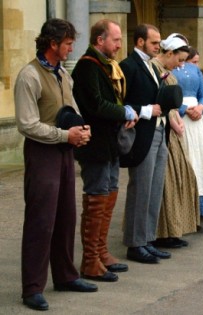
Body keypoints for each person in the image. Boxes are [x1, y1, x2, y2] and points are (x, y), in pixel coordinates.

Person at [14, 18, 97, 311]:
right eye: (68, 43)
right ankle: (32, 288)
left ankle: (65, 276)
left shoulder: (63, 72)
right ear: (53, 43)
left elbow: (71, 107)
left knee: (66, 216)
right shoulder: (29, 76)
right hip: (41, 154)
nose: (71, 48)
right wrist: (65, 134)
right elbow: (27, 125)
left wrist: (82, 128)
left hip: (64, 151)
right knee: (41, 220)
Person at [72, 19, 136, 282]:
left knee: (108, 197)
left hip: (108, 144)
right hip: (95, 145)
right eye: (116, 40)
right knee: (96, 200)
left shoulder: (106, 65)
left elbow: (111, 101)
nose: (120, 45)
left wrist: (124, 113)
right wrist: (123, 111)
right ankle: (90, 261)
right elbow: (96, 105)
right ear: (100, 40)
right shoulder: (87, 66)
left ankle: (101, 252)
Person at [119, 24, 171, 263]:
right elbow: (120, 102)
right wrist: (147, 110)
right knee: (140, 188)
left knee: (154, 188)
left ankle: (148, 238)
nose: (158, 46)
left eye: (159, 42)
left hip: (159, 131)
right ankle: (135, 243)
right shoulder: (127, 66)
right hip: (141, 134)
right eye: (154, 42)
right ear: (140, 42)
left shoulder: (151, 64)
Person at [151, 35, 200, 248]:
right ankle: (162, 232)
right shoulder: (154, 69)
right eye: (179, 60)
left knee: (180, 178)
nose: (181, 65)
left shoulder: (167, 72)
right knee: (167, 183)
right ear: (169, 53)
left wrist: (177, 118)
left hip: (173, 129)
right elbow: (160, 102)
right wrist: (175, 119)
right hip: (164, 129)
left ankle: (174, 228)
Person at [173, 43, 203, 217]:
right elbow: (168, 94)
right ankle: (186, 206)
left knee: (202, 160)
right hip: (182, 119)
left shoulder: (196, 71)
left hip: (199, 120)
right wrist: (184, 109)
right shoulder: (170, 69)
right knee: (189, 158)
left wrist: (201, 107)